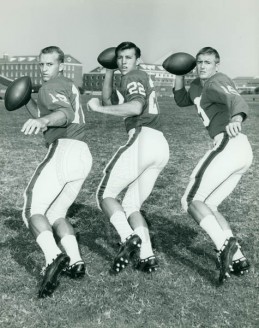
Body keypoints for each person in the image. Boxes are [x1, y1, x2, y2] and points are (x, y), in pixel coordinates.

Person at [87, 41, 169, 274]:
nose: (124, 62)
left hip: (142, 138)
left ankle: (128, 237)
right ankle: (148, 256)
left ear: (137, 60)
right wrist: (109, 70)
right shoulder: (132, 75)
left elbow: (133, 108)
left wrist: (98, 110)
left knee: (104, 194)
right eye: (120, 58)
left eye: (128, 57)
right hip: (160, 145)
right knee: (132, 205)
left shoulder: (133, 76)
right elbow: (108, 99)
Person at [173, 47, 253, 283]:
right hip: (240, 151)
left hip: (229, 141)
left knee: (189, 200)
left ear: (217, 65)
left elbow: (235, 98)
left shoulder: (217, 80)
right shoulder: (198, 84)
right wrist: (178, 73)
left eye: (208, 62)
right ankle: (238, 258)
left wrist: (237, 118)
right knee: (210, 204)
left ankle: (223, 245)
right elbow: (181, 99)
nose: (202, 66)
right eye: (199, 62)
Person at [21, 46, 92, 297]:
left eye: (49, 64)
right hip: (83, 154)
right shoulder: (65, 84)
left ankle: (53, 257)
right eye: (41, 65)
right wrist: (30, 105)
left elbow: (63, 114)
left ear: (61, 65)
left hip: (63, 149)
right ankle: (75, 261)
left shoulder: (51, 86)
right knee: (57, 213)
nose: (43, 69)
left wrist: (42, 121)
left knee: (31, 210)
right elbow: (51, 111)